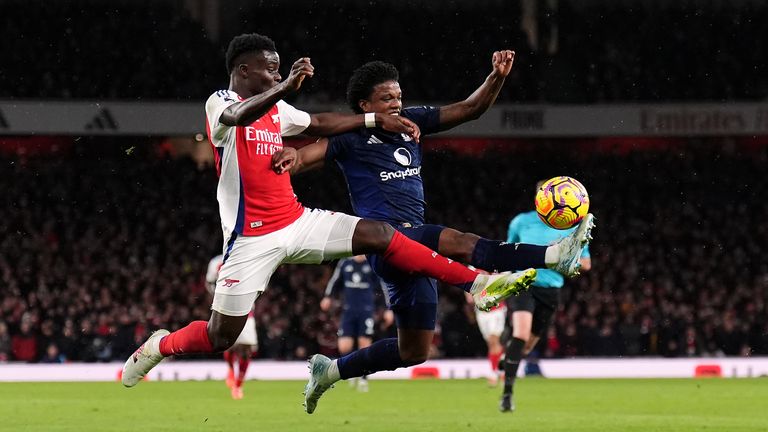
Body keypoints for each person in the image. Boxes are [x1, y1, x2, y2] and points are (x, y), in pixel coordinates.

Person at [121, 33, 537, 394]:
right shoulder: (221, 103)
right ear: (243, 70)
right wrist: (284, 86)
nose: (275, 74)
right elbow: (237, 116)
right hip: (252, 238)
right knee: (220, 336)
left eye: (279, 68)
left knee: (378, 233)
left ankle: (476, 284)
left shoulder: (278, 111)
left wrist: (377, 120)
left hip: (297, 221)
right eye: (270, 69)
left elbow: (319, 122)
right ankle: (160, 345)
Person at [272, 54, 595, 413]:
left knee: (413, 351)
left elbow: (470, 109)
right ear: (365, 105)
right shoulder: (350, 137)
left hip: (418, 253)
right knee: (464, 243)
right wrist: (291, 157)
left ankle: (329, 371)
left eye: (398, 96)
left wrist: (496, 77)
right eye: (386, 98)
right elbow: (305, 156)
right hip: (386, 242)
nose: (396, 103)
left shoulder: (414, 121)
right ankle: (552, 255)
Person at [498, 183, 592, 413]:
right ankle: (507, 394)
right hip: (524, 283)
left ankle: (508, 354)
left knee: (527, 346)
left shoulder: (572, 228)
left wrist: (560, 256)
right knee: (521, 334)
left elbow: (586, 264)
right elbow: (506, 251)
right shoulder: (521, 221)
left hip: (551, 290)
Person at [321, 255, 394, 392]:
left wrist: (387, 309)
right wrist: (328, 297)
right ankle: (352, 370)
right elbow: (335, 281)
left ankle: (364, 378)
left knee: (364, 345)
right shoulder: (345, 263)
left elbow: (382, 287)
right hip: (348, 311)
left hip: (366, 311)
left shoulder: (371, 264)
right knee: (344, 346)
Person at [206, 254, 258, 400]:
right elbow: (209, 283)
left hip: (246, 309)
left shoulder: (248, 257)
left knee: (246, 348)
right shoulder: (216, 262)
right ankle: (230, 368)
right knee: (228, 344)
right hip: (224, 308)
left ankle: (238, 385)